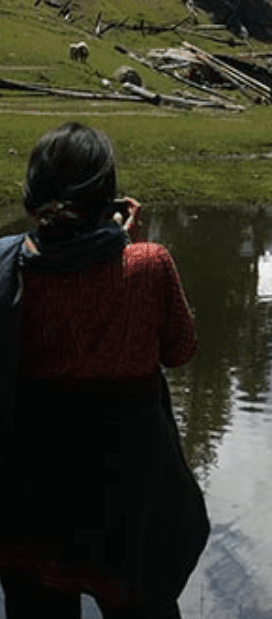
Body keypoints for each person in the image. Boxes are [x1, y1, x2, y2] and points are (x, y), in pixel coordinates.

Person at [0, 122, 208, 618]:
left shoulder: (7, 270)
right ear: (106, 197)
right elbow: (179, 350)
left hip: (27, 509)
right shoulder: (148, 265)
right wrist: (117, 248)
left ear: (33, 195)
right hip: (125, 506)